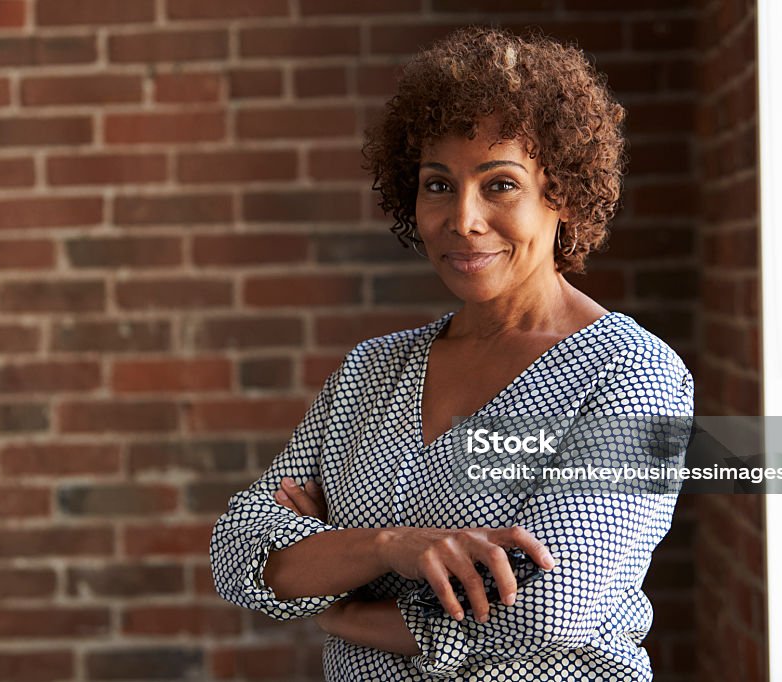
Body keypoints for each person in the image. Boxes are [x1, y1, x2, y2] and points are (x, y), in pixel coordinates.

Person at [210, 25, 694, 681]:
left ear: (564, 195)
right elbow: (240, 554)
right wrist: (390, 547)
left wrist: (339, 602)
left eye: (499, 184)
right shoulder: (372, 372)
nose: (462, 218)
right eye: (438, 185)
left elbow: (548, 606)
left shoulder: (632, 373)